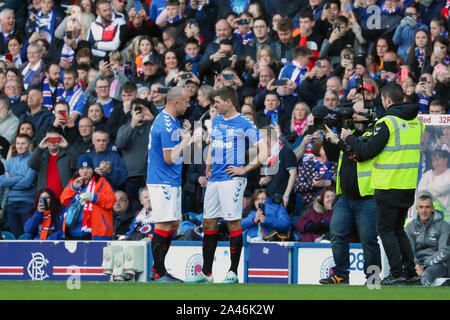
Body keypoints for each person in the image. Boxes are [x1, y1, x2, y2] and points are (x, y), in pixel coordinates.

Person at [341, 83, 424, 285]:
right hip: (407, 185)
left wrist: (349, 138)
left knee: (386, 229)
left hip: (388, 185)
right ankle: (410, 272)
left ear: (387, 100)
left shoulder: (387, 122)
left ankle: (396, 273)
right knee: (397, 229)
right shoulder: (416, 122)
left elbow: (368, 150)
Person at [188, 86, 267, 284]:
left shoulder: (244, 122)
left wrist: (244, 169)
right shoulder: (218, 121)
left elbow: (265, 151)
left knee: (233, 222)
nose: (214, 106)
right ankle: (206, 273)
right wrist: (208, 162)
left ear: (229, 102)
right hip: (215, 178)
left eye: (217, 102)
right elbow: (215, 143)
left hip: (233, 179)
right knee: (208, 222)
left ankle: (233, 271)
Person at [318, 100, 382, 285]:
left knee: (369, 240)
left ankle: (373, 278)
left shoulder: (375, 134)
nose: (351, 116)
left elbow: (362, 154)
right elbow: (331, 154)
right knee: (337, 235)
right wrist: (325, 129)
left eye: (355, 113)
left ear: (369, 114)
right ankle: (340, 275)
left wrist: (341, 138)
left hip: (368, 197)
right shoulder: (349, 133)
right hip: (344, 197)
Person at [147, 86, 192, 283]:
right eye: (186, 102)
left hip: (170, 180)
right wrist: (187, 140)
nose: (188, 105)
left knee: (173, 223)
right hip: (162, 180)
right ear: (176, 102)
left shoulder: (171, 121)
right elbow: (169, 157)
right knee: (163, 223)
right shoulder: (166, 124)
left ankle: (159, 269)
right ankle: (158, 272)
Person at [60, 154, 115, 240]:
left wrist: (94, 197)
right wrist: (74, 188)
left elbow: (111, 201)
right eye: (82, 168)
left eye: (88, 168)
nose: (85, 171)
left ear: (93, 169)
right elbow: (64, 200)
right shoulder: (74, 181)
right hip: (72, 232)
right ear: (78, 170)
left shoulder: (100, 181)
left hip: (95, 233)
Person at [405, 194, 450, 286]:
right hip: (417, 266)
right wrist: (416, 265)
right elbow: (407, 250)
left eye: (427, 207)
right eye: (421, 207)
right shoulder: (410, 227)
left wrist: (425, 265)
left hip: (438, 265)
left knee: (427, 275)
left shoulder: (443, 226)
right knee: (401, 277)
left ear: (432, 209)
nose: (424, 211)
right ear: (417, 209)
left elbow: (445, 251)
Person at [115, 98, 154, 204]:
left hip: (148, 176)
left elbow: (163, 136)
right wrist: (132, 124)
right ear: (131, 112)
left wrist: (151, 116)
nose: (138, 112)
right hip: (130, 177)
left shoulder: (152, 126)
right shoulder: (124, 127)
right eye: (135, 109)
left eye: (141, 109)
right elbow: (120, 144)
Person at [0, 133, 37, 238]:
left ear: (29, 144)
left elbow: (27, 183)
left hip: (27, 204)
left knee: (27, 237)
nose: (20, 146)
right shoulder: (10, 162)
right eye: (18, 143)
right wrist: (20, 177)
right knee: (14, 238)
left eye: (23, 144)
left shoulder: (33, 161)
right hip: (11, 205)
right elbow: (2, 181)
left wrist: (10, 180)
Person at [27, 126, 73, 199]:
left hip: (64, 199)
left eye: (56, 139)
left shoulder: (68, 155)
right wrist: (40, 148)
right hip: (44, 199)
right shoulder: (41, 156)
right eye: (49, 139)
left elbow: (76, 164)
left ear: (61, 139)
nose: (53, 142)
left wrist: (67, 147)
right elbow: (30, 163)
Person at [416, 149, 450, 216]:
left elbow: (442, 188)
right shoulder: (428, 174)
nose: (435, 163)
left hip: (446, 215)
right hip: (428, 215)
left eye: (438, 160)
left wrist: (428, 188)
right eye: (433, 161)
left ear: (445, 160)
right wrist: (437, 193)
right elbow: (420, 191)